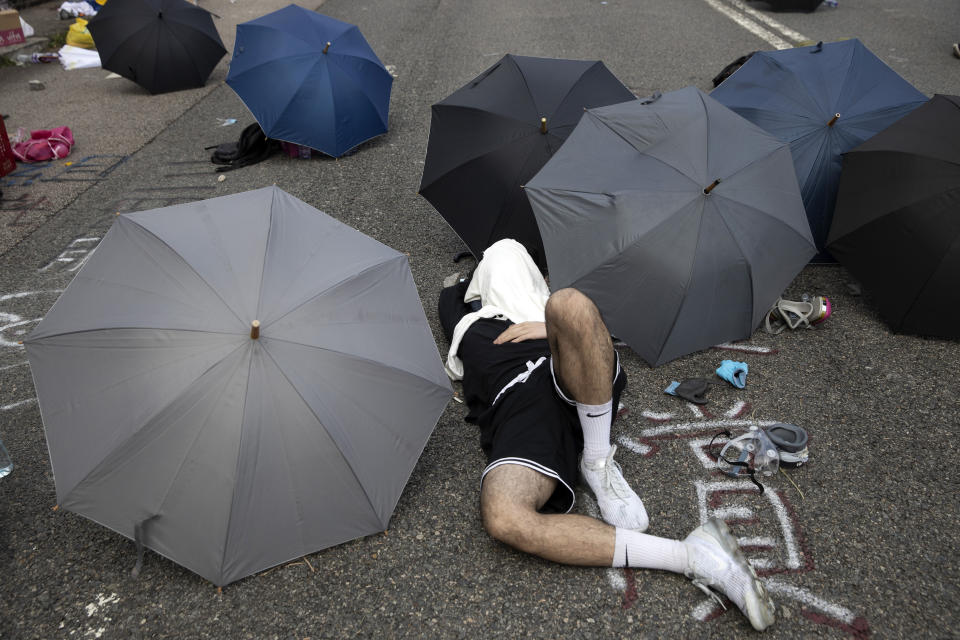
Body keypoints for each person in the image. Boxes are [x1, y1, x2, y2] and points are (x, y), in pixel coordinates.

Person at [439, 239, 776, 632]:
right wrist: (465, 289)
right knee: (503, 517)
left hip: (567, 376)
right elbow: (456, 297)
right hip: (515, 407)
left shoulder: (541, 307)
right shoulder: (467, 321)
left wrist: (548, 326)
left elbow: (588, 327)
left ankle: (597, 460)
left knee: (569, 303)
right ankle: (692, 556)